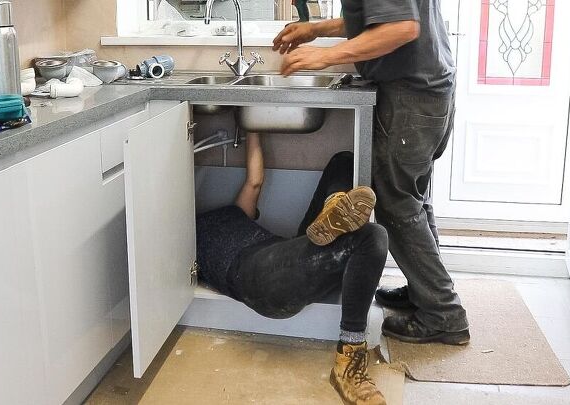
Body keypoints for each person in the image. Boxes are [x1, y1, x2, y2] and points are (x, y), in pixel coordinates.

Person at [272, 0, 470, 345]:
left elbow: (401, 29)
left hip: (412, 96)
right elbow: (377, 20)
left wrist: (324, 56)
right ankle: (423, 292)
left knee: (398, 207)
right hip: (427, 90)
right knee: (412, 201)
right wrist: (316, 30)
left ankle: (444, 315)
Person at [196, 133, 388, 405]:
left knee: (343, 160)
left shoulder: (235, 210)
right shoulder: (187, 236)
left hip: (288, 253)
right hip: (256, 276)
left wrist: (250, 126)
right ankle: (349, 359)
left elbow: (255, 180)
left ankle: (331, 213)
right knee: (374, 236)